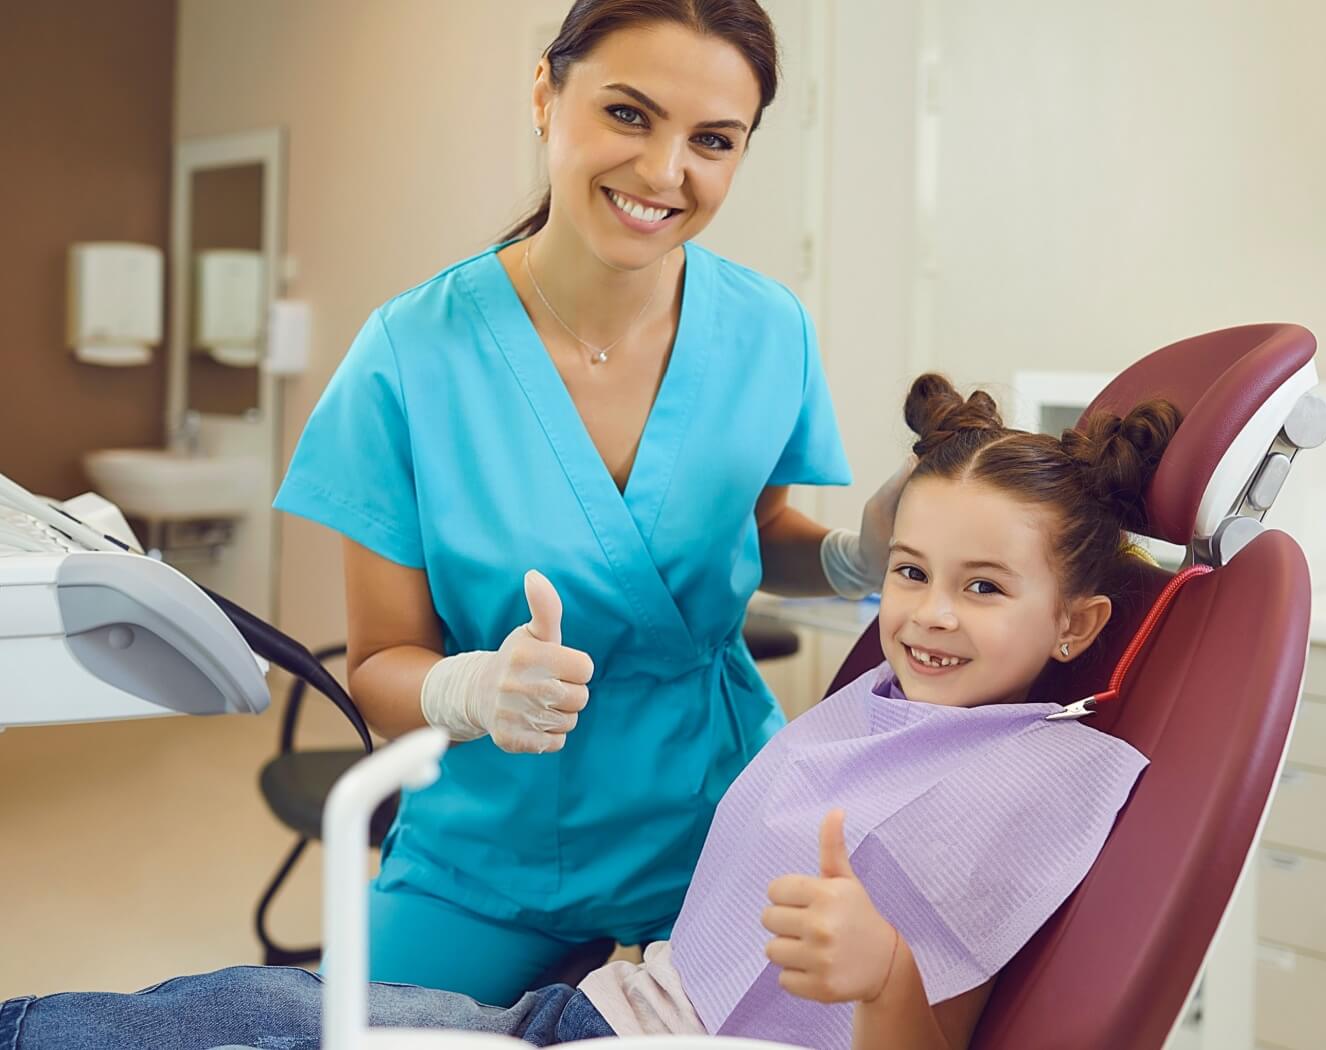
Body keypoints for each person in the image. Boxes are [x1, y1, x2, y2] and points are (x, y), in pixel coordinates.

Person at [3, 375, 1182, 1049]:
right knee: (268, 1003)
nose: (926, 613)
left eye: (984, 587)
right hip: (599, 1005)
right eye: (912, 571)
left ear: (1076, 623)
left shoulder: (1019, 780)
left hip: (619, 1033)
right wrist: (469, 686)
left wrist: (882, 976)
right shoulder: (884, 699)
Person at [268, 0, 911, 1005]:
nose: (664, 173)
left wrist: (853, 561)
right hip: (489, 847)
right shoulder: (408, 357)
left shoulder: (767, 330)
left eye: (711, 140)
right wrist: (471, 692)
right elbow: (380, 665)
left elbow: (756, 536)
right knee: (350, 1028)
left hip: (716, 816)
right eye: (627, 115)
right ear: (544, 93)